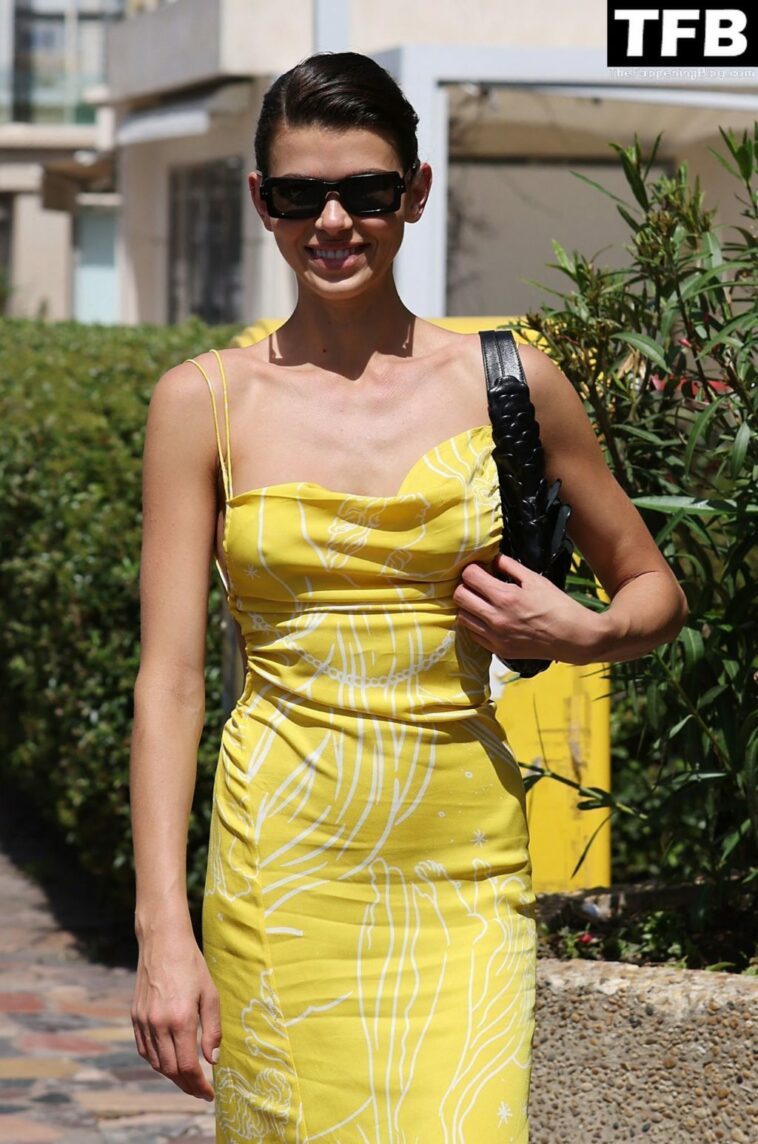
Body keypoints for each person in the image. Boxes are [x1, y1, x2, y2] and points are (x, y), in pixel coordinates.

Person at [129, 51, 687, 1143]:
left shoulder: (510, 379)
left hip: (460, 861)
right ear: (262, 205)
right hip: (281, 864)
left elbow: (652, 589)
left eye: (366, 192)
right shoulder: (201, 404)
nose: (333, 220)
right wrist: (161, 929)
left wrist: (582, 634)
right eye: (300, 196)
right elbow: (168, 680)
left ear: (413, 194)